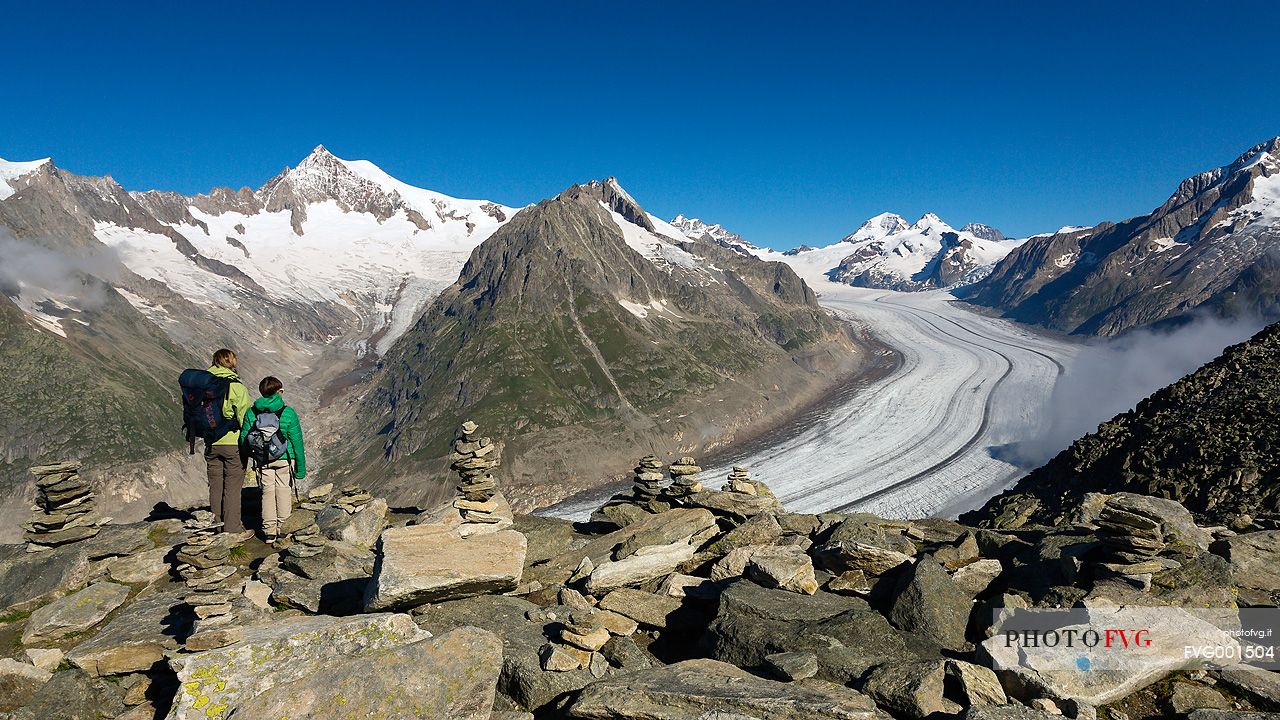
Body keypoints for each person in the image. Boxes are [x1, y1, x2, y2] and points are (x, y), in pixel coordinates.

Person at [240, 376, 307, 546]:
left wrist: (251, 455)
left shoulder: (252, 412)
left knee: (267, 492)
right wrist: (300, 469)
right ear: (279, 392)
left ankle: (269, 532)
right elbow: (297, 442)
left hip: (263, 459)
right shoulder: (288, 412)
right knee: (283, 490)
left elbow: (244, 438)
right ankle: (283, 529)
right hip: (284, 459)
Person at [205, 349, 252, 538]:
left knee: (215, 486)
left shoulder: (203, 383)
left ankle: (215, 527)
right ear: (231, 362)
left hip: (210, 443)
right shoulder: (235, 385)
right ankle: (232, 530)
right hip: (232, 443)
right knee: (232, 487)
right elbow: (244, 417)